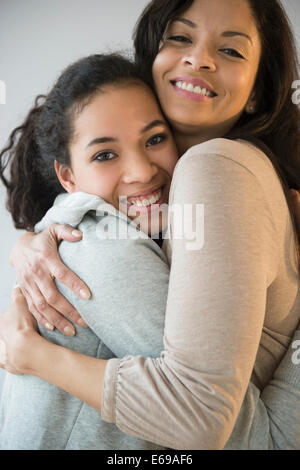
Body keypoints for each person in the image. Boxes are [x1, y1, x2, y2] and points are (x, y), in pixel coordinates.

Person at [1, 0, 300, 450]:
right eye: (180, 37)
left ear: (259, 88)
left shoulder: (215, 178)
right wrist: (34, 356)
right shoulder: (102, 239)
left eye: (233, 50)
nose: (199, 58)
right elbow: (235, 431)